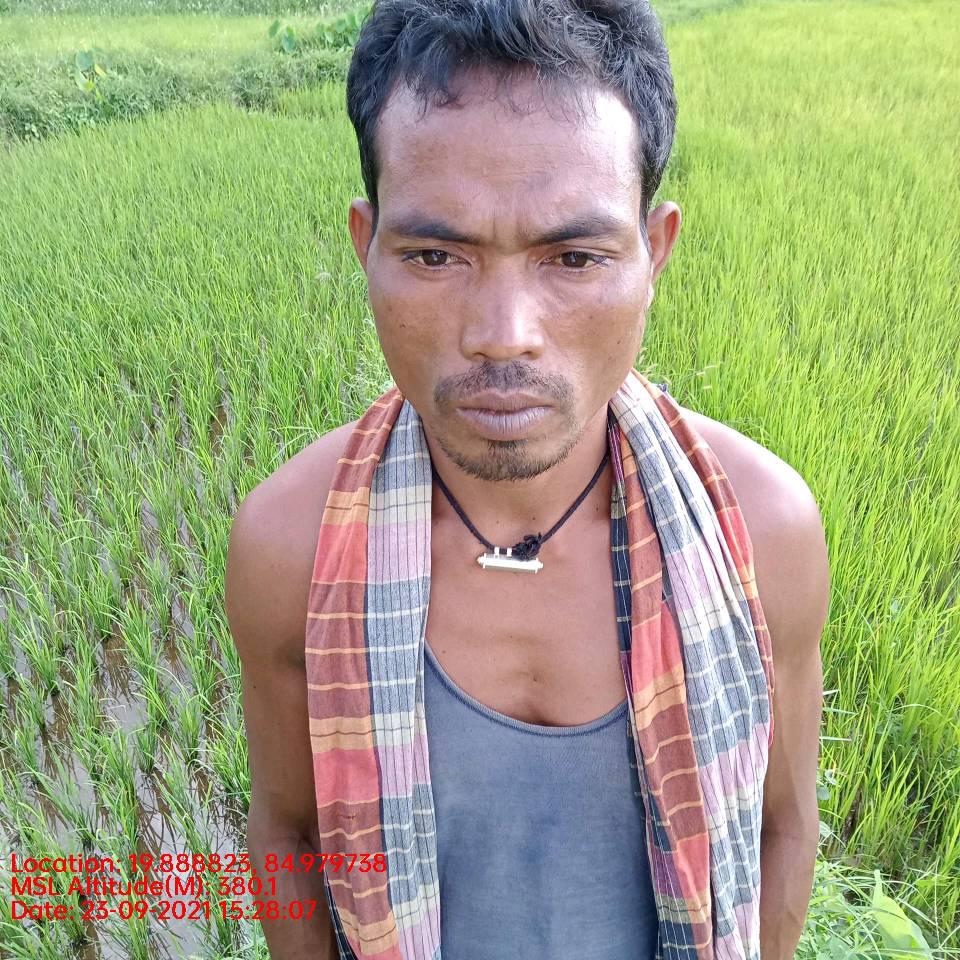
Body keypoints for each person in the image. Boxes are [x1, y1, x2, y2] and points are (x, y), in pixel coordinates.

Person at [224, 1, 830, 958]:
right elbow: (287, 836)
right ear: (365, 245)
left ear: (655, 252)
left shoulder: (762, 530)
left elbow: (782, 828)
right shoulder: (287, 548)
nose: (503, 334)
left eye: (574, 257)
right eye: (435, 255)